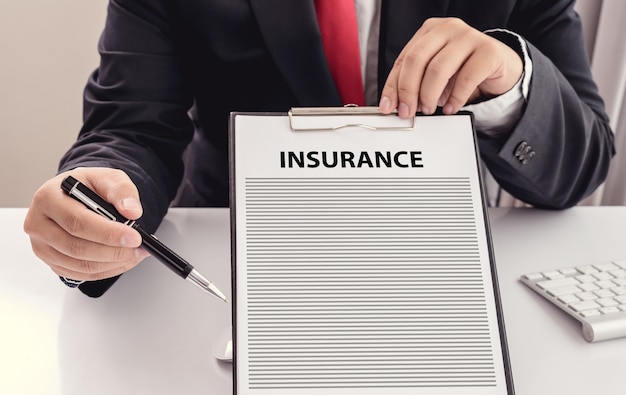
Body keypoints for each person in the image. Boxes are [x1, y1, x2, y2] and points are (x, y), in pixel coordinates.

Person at [24, 0, 615, 297]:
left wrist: (511, 84)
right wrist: (99, 194)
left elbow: (582, 165)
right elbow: (130, 130)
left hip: (441, 259)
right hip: (241, 251)